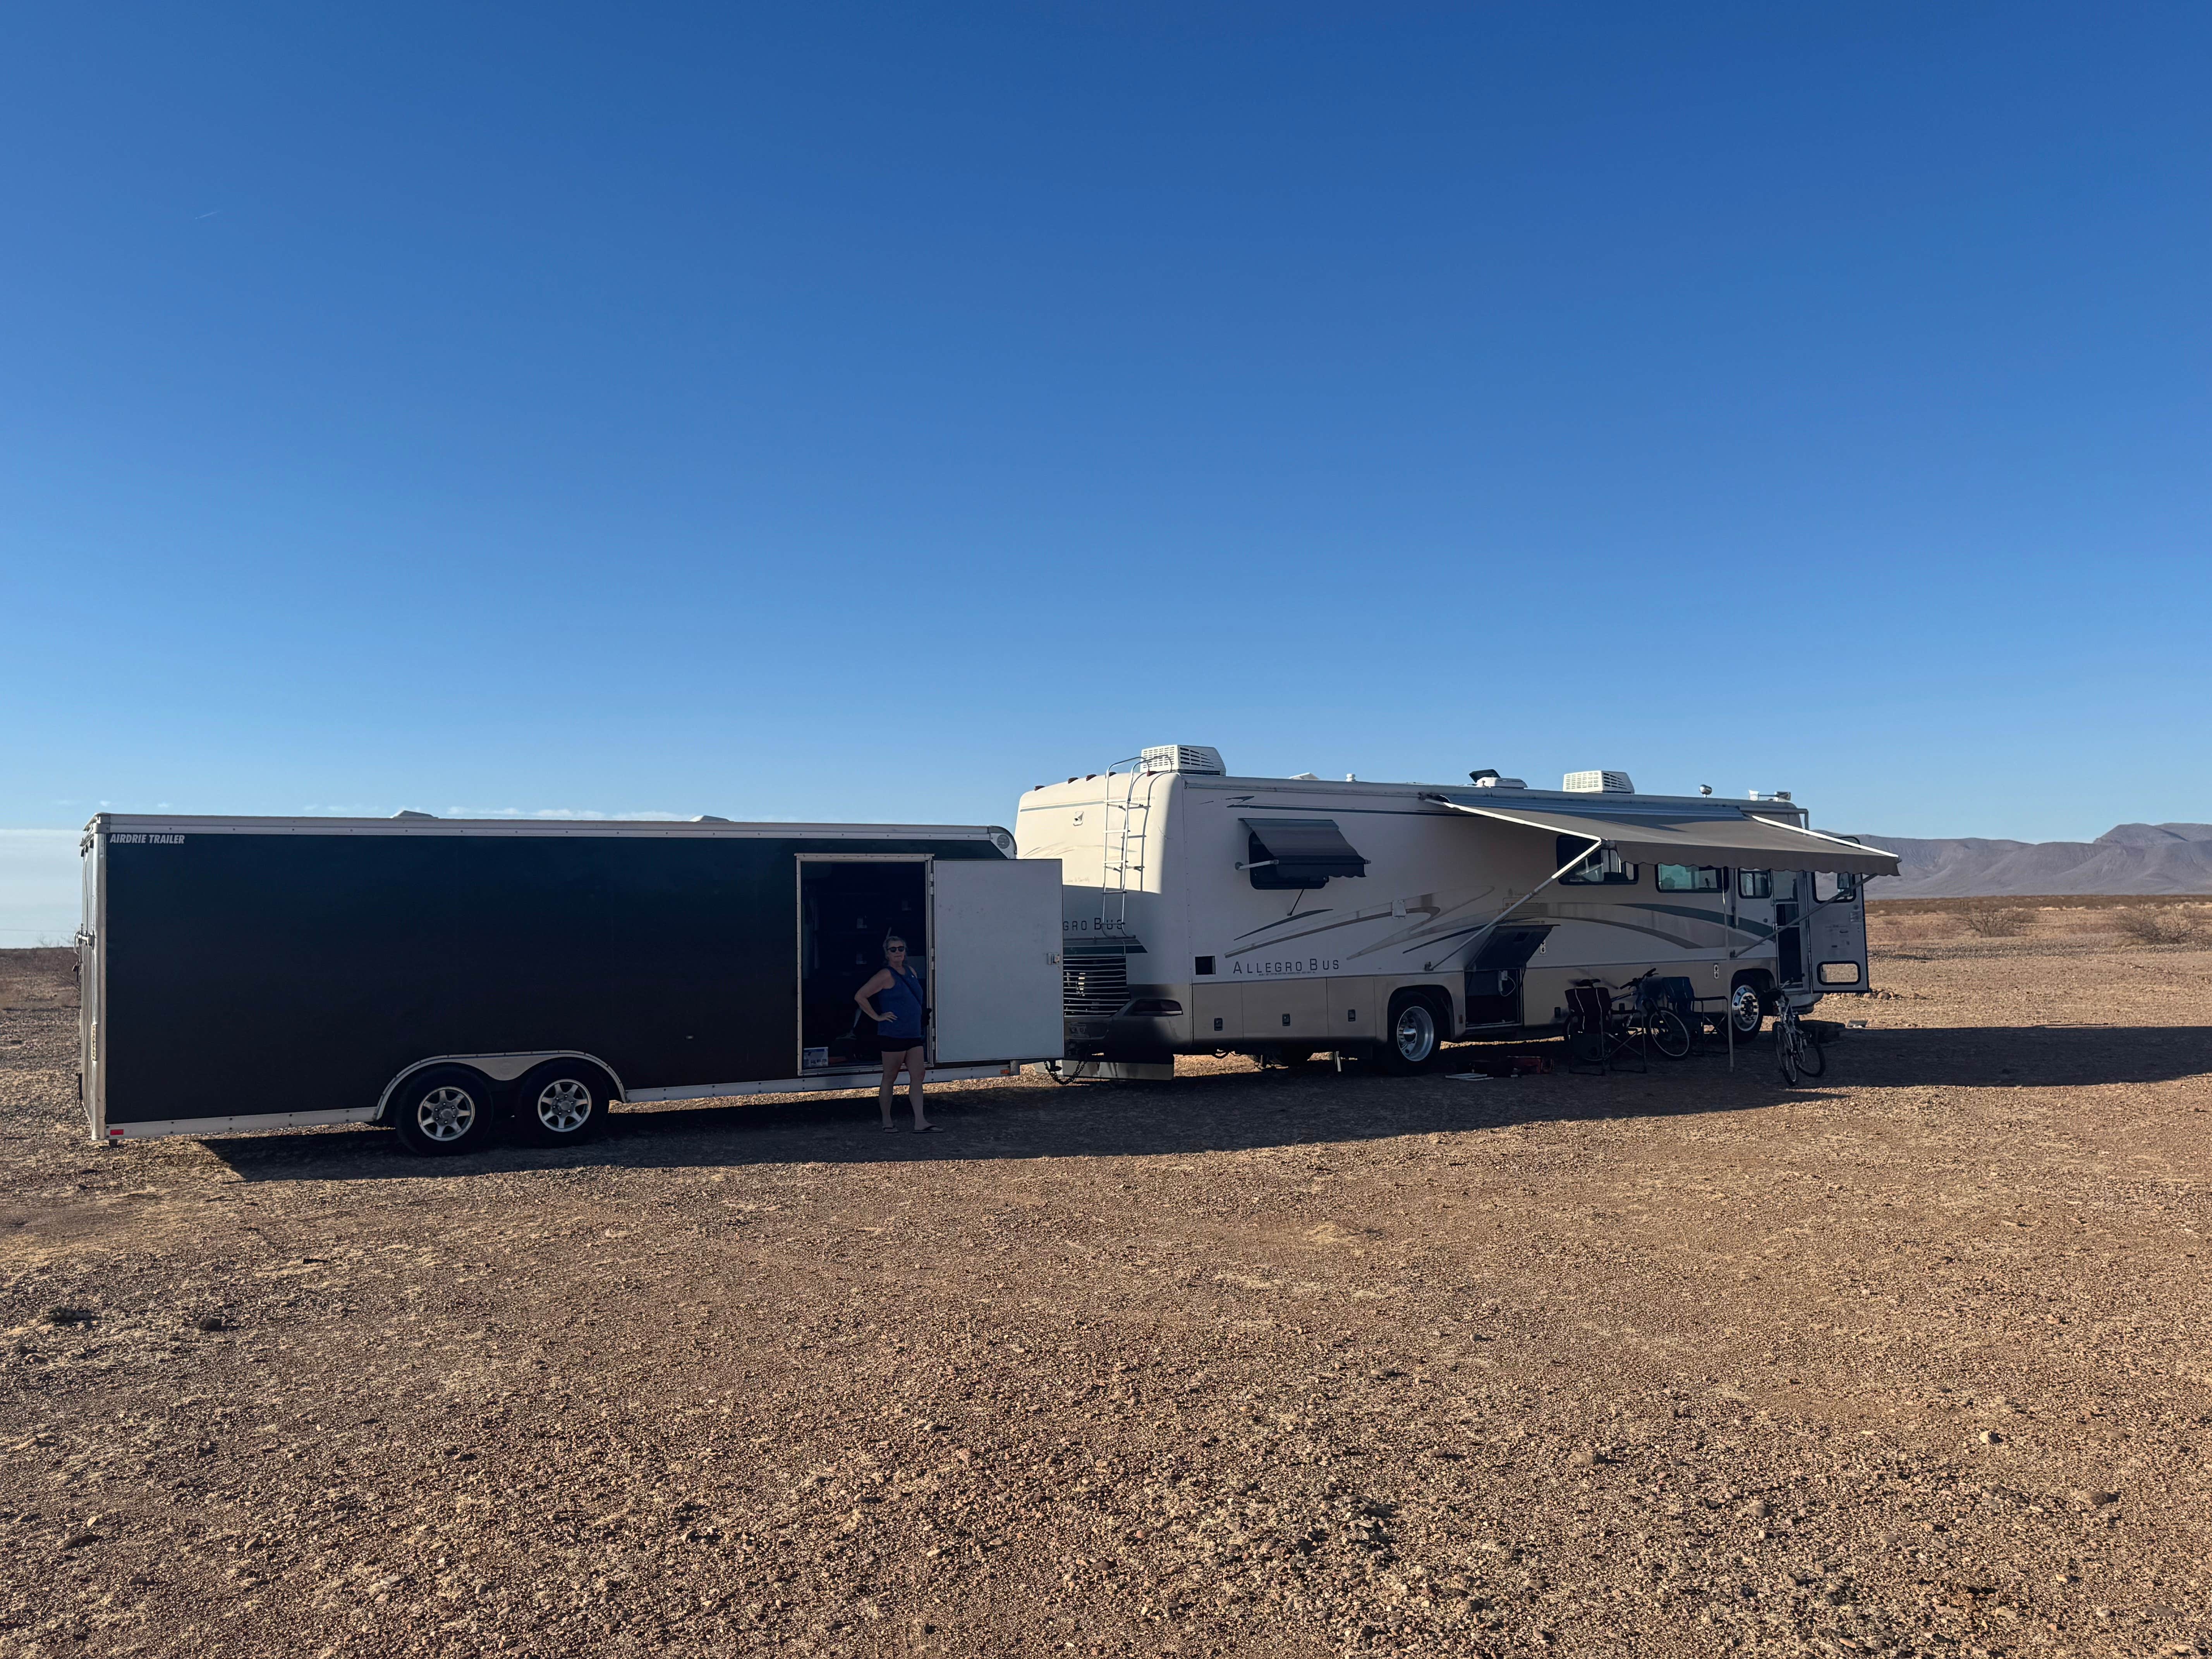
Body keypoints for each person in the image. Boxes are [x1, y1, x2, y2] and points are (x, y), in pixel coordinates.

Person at [855, 933, 933, 1132]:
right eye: (893, 950)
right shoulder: (885, 975)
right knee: (890, 1076)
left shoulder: (911, 971)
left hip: (913, 1034)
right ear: (887, 953)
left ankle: (920, 1121)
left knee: (919, 1075)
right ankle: (887, 1121)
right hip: (893, 1034)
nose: (898, 952)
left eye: (901, 949)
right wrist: (877, 1017)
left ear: (906, 951)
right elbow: (861, 996)